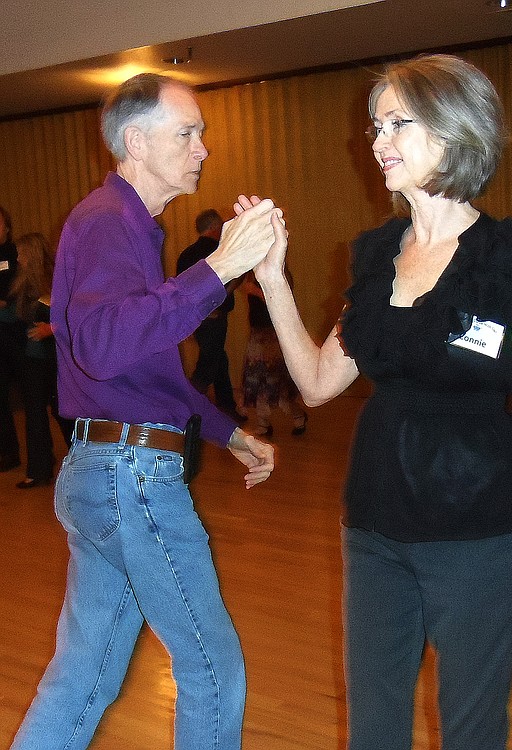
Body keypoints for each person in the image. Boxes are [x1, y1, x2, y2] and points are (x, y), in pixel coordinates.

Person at [250, 54, 512, 750]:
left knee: (471, 732)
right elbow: (316, 382)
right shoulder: (373, 256)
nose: (377, 141)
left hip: (476, 537)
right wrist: (273, 280)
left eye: (400, 122)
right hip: (372, 528)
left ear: (459, 130)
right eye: (376, 125)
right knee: (373, 732)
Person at [10, 73, 278, 750]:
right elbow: (103, 345)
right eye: (187, 133)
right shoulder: (108, 222)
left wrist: (230, 432)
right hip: (130, 478)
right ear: (136, 140)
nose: (203, 149)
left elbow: (145, 369)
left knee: (87, 675)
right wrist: (218, 268)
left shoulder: (128, 227)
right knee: (212, 668)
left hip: (106, 469)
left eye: (202, 134)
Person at [10, 232, 75, 488]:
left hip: (54, 359)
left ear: (31, 254)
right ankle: (39, 469)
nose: (16, 258)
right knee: (37, 414)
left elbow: (72, 317)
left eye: (20, 253)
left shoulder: (52, 281)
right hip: (33, 360)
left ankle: (80, 461)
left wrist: (51, 329)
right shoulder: (24, 283)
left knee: (63, 412)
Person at [176, 208, 246, 422]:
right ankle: (183, 409)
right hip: (215, 316)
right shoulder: (220, 251)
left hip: (196, 318)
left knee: (218, 359)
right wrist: (221, 296)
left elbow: (180, 289)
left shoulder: (186, 254)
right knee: (207, 366)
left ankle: (227, 408)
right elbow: (238, 275)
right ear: (215, 227)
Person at [241, 270, 307, 436]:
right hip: (258, 332)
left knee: (277, 380)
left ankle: (298, 416)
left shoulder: (280, 272)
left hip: (275, 332)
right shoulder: (253, 272)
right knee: (256, 378)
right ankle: (263, 423)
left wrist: (254, 291)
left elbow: (281, 302)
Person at [0, 205, 24, 472]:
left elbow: (15, 296)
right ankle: (8, 453)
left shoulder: (15, 254)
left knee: (36, 397)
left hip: (15, 334)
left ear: (7, 225)